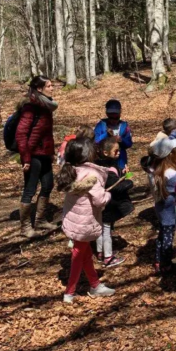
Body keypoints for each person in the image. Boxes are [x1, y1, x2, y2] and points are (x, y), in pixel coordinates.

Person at [58, 137, 116, 303]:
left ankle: (95, 285)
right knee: (78, 255)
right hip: (83, 223)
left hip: (74, 220)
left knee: (86, 254)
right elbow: (100, 200)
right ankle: (70, 291)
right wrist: (109, 194)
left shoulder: (71, 170)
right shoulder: (92, 174)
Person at [16, 76, 58, 238]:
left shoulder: (46, 106)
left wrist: (51, 152)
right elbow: (21, 134)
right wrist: (25, 159)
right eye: (49, 86)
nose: (52, 88)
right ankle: (25, 228)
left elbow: (47, 134)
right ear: (39, 89)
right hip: (32, 155)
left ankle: (40, 220)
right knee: (30, 190)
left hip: (45, 154)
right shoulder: (30, 108)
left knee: (48, 185)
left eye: (52, 85)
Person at [95, 137, 135, 267]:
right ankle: (108, 257)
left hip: (99, 203)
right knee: (106, 229)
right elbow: (117, 186)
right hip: (108, 204)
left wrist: (123, 174)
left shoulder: (99, 164)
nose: (119, 153)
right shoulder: (108, 169)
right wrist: (129, 181)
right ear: (106, 153)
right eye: (116, 151)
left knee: (101, 228)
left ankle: (100, 252)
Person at [151, 138, 176, 274]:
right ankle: (166, 265)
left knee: (162, 235)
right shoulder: (173, 174)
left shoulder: (154, 170)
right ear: (170, 155)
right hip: (170, 212)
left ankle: (159, 261)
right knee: (168, 239)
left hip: (160, 209)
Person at [94, 99, 133, 171]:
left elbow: (129, 143)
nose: (113, 120)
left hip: (120, 161)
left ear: (120, 113)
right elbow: (95, 141)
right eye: (111, 118)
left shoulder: (124, 126)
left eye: (116, 118)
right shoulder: (101, 125)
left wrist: (121, 140)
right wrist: (106, 135)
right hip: (103, 161)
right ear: (107, 114)